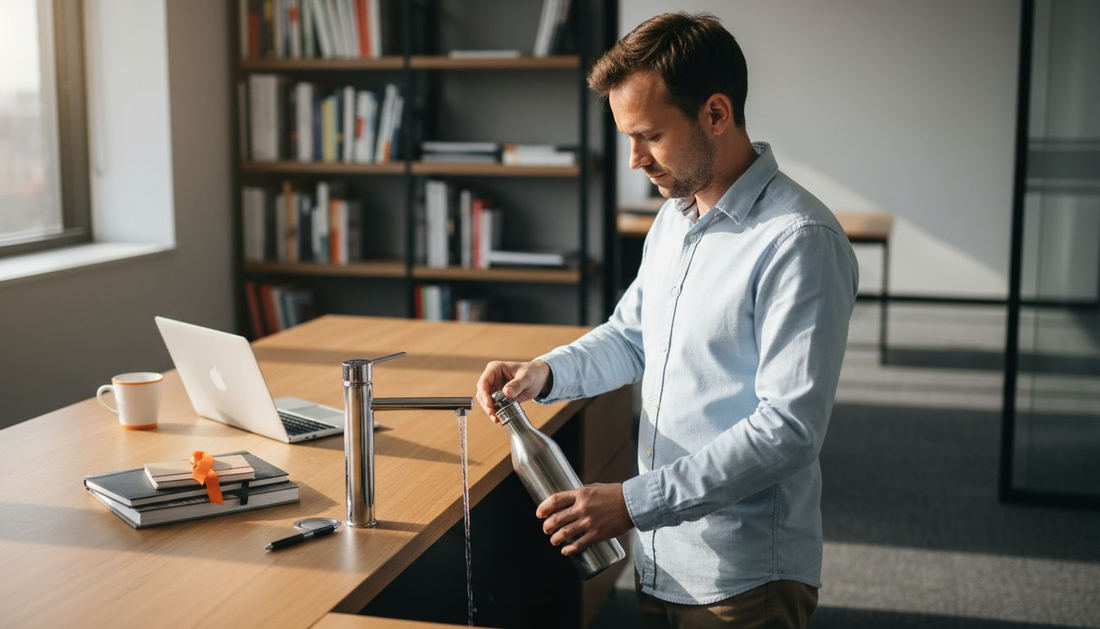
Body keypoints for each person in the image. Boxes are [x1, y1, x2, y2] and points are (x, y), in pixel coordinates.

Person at [476, 12, 858, 629]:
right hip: (662, 555)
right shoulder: (675, 218)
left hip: (745, 574)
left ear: (715, 114)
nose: (634, 160)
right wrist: (544, 374)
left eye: (649, 135)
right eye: (627, 137)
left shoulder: (799, 240)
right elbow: (631, 337)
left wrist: (632, 502)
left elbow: (789, 429)